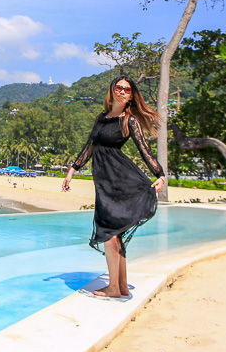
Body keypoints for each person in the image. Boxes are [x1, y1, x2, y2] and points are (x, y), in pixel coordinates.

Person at [62, 75, 165, 298]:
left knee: (110, 232)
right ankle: (122, 286)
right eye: (118, 87)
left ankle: (114, 288)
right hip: (105, 182)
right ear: (112, 90)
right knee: (114, 234)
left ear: (131, 96)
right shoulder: (102, 118)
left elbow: (144, 150)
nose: (121, 92)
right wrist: (73, 170)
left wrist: (160, 174)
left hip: (120, 180)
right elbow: (90, 146)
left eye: (127, 90)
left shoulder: (130, 121)